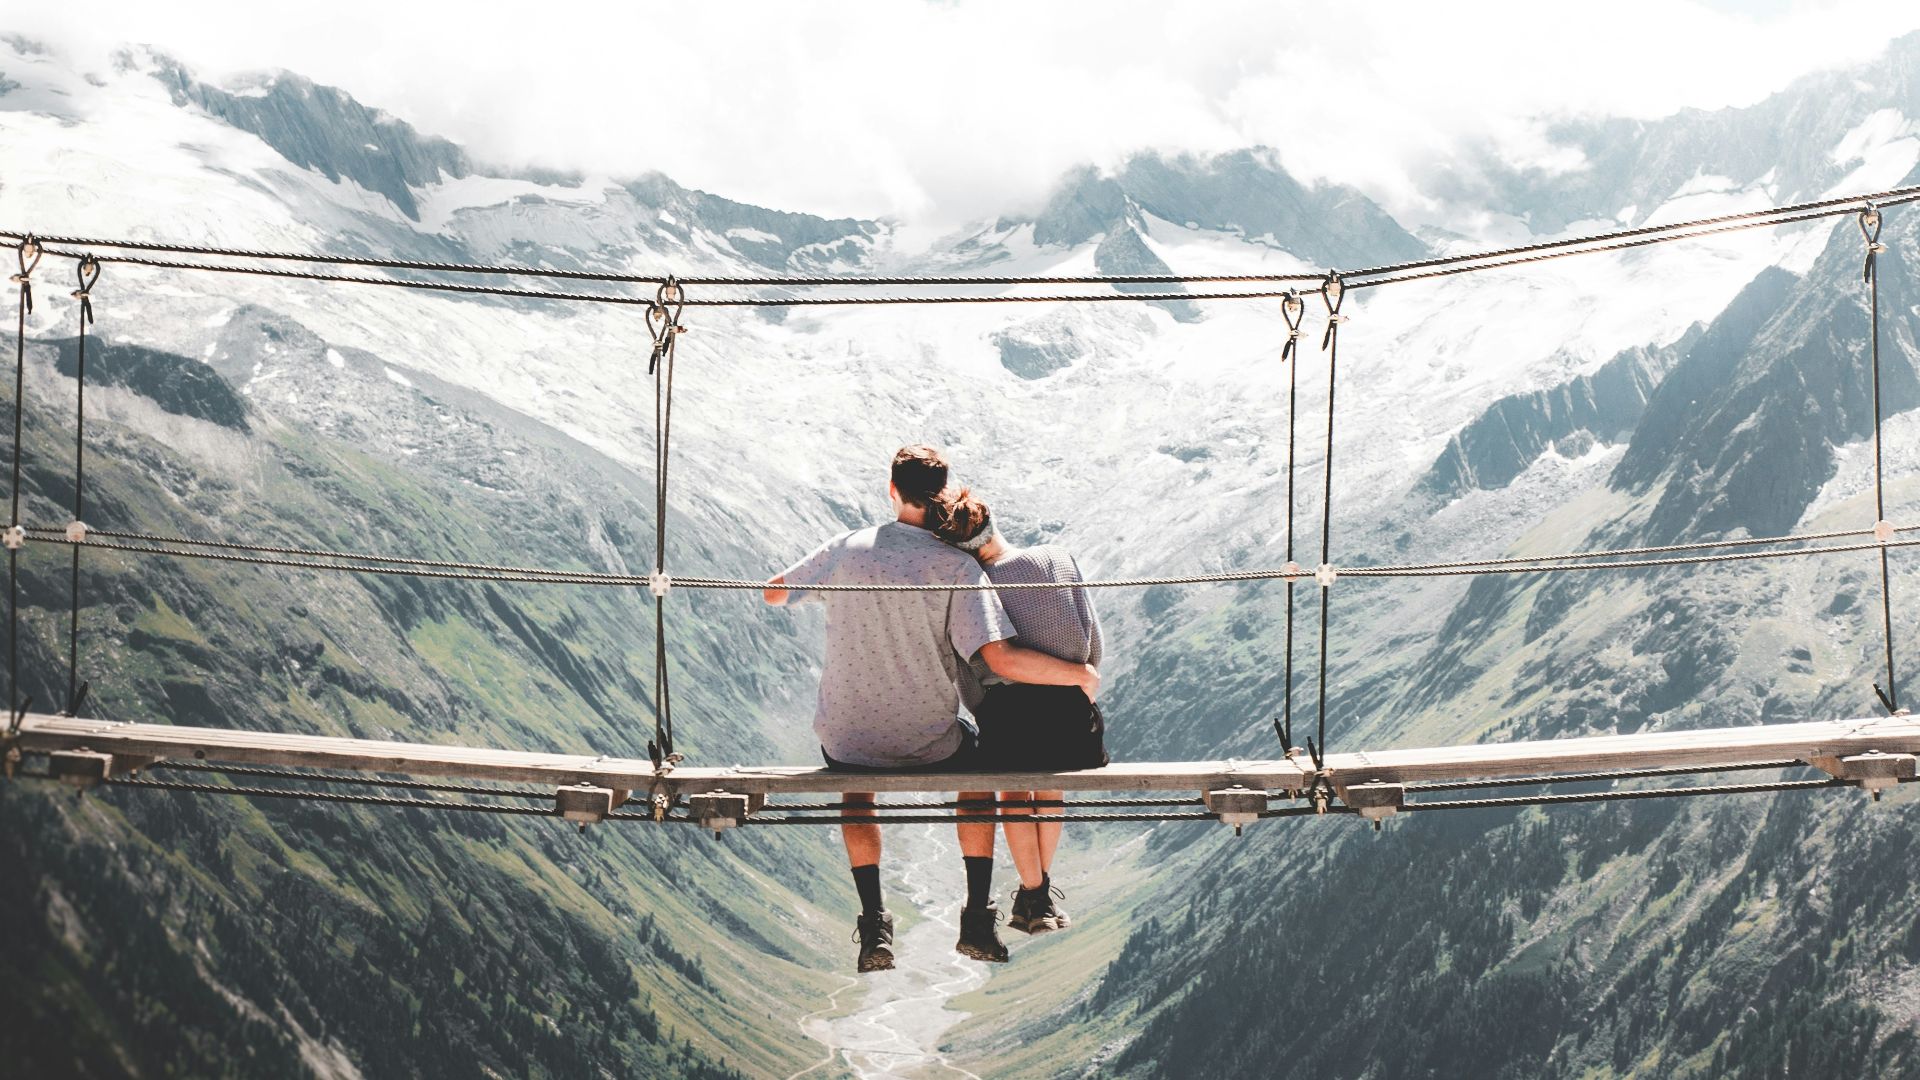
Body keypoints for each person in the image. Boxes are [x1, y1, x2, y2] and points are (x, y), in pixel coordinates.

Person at [764, 446, 1100, 973]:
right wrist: (1079, 675)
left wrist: (843, 593)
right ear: (941, 493)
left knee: (856, 787)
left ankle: (874, 924)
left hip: (846, 737)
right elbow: (998, 657)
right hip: (929, 740)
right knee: (980, 774)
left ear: (891, 489)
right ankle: (977, 919)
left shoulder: (846, 549)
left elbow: (773, 594)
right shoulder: (956, 566)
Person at [937, 494, 1106, 937]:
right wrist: (1078, 683)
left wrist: (985, 708)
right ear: (991, 522)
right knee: (1051, 790)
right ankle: (1037, 894)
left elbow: (969, 670)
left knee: (1013, 792)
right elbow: (1093, 643)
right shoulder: (1056, 559)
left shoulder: (972, 585)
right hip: (1072, 714)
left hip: (1008, 716)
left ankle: (1035, 892)